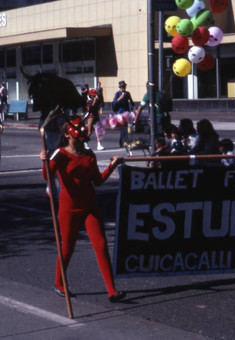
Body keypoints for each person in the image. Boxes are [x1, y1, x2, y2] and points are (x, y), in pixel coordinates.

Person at [40, 116, 126, 302]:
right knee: (67, 248)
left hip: (90, 206)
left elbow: (98, 181)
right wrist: (44, 160)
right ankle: (59, 283)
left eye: (81, 138)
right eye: (75, 138)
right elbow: (47, 175)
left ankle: (112, 291)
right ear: (66, 135)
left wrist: (112, 165)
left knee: (101, 246)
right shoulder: (59, 154)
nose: (79, 141)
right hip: (68, 208)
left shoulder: (89, 155)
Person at [112, 81, 135, 147]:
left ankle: (122, 142)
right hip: (120, 112)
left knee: (125, 128)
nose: (123, 89)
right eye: (122, 87)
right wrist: (120, 98)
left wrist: (134, 107)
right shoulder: (117, 93)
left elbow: (131, 101)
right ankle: (124, 142)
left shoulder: (127, 93)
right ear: (120, 87)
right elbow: (114, 102)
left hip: (126, 112)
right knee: (123, 128)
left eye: (124, 87)